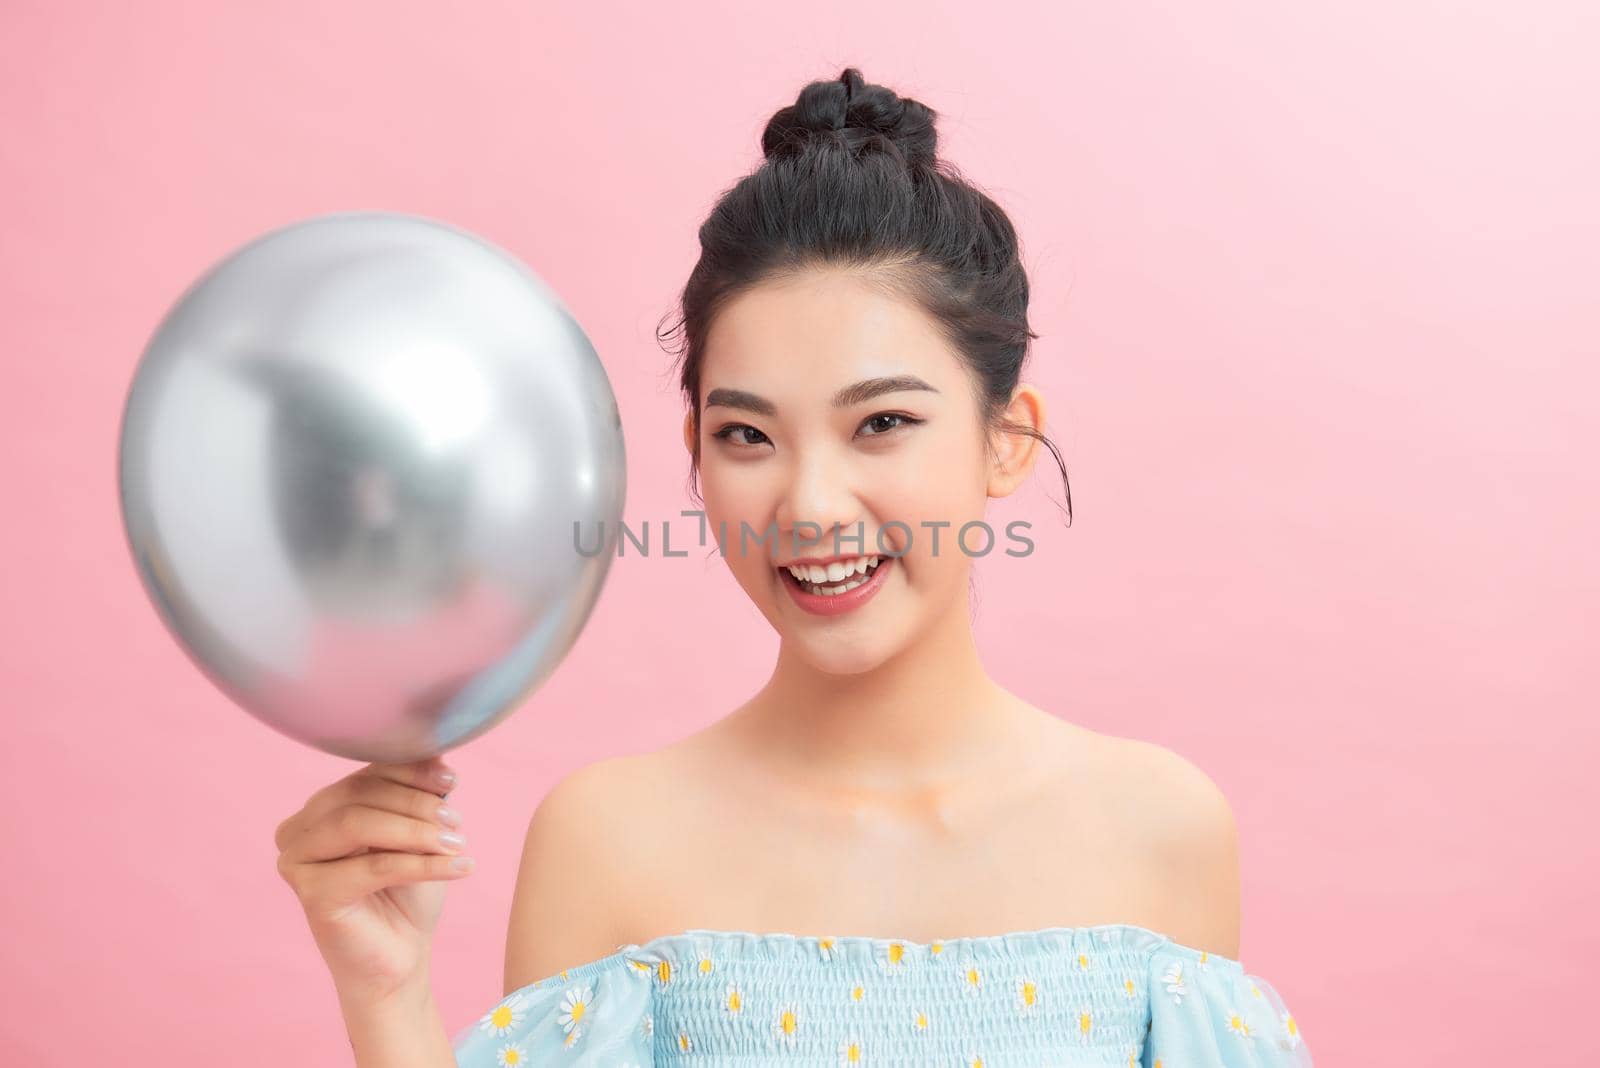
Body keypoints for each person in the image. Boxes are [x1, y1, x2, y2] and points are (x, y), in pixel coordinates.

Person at [274, 67, 1315, 1067]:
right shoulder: (609, 841)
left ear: (1007, 440)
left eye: (881, 423)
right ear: (693, 452)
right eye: (747, 436)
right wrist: (388, 994)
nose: (810, 507)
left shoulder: (1156, 831)